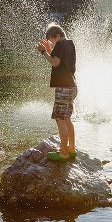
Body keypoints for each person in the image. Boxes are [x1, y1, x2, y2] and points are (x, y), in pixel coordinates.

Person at [36, 23, 77, 162]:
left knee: (60, 119)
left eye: (52, 40)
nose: (52, 43)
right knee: (67, 119)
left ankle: (63, 153)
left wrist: (43, 52)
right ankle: (71, 149)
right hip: (72, 87)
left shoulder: (60, 45)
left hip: (63, 88)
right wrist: (50, 49)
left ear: (57, 36)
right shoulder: (70, 45)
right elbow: (61, 60)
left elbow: (55, 63)